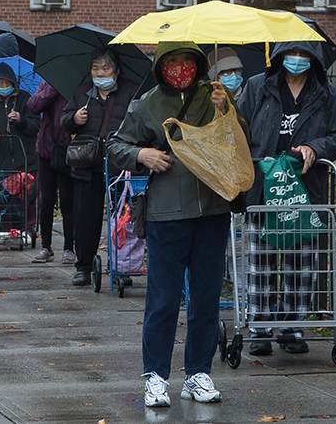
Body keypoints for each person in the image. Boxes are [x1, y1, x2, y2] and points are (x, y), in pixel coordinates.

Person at [107, 41, 249, 407]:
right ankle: (155, 376)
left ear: (199, 64)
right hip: (166, 213)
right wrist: (142, 154)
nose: (181, 68)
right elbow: (115, 145)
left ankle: (198, 373)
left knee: (206, 298)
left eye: (188, 61)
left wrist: (228, 110)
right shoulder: (146, 104)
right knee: (163, 299)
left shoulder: (215, 95)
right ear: (160, 66)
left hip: (213, 210)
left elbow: (242, 139)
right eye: (173, 61)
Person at [237, 41, 336, 356]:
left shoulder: (327, 94)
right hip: (263, 188)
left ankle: (292, 327)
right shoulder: (257, 87)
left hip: (304, 191)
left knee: (299, 265)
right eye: (292, 53)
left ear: (314, 57)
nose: (297, 59)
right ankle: (259, 328)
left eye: (304, 54)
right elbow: (237, 130)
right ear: (279, 55)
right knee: (260, 262)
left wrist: (316, 147)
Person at [60, 47, 139, 286]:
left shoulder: (131, 91)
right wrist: (74, 119)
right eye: (96, 68)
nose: (100, 72)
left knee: (123, 220)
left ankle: (122, 268)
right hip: (87, 166)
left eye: (105, 68)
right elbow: (64, 120)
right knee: (85, 219)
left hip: (120, 167)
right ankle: (83, 266)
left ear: (116, 70)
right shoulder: (83, 91)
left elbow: (141, 123)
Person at [0, 62, 40, 238]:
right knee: (2, 202)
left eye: (7, 83)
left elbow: (36, 125)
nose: (3, 87)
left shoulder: (25, 99)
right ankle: (2, 233)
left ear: (13, 83)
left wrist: (22, 120)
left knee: (29, 201)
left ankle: (29, 232)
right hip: (0, 164)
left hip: (26, 161)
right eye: (0, 84)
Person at [27, 81, 75, 264]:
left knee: (68, 201)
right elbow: (33, 106)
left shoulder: (76, 87)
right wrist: (51, 89)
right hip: (46, 150)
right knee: (46, 200)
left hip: (68, 151)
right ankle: (45, 246)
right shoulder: (47, 85)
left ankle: (69, 247)